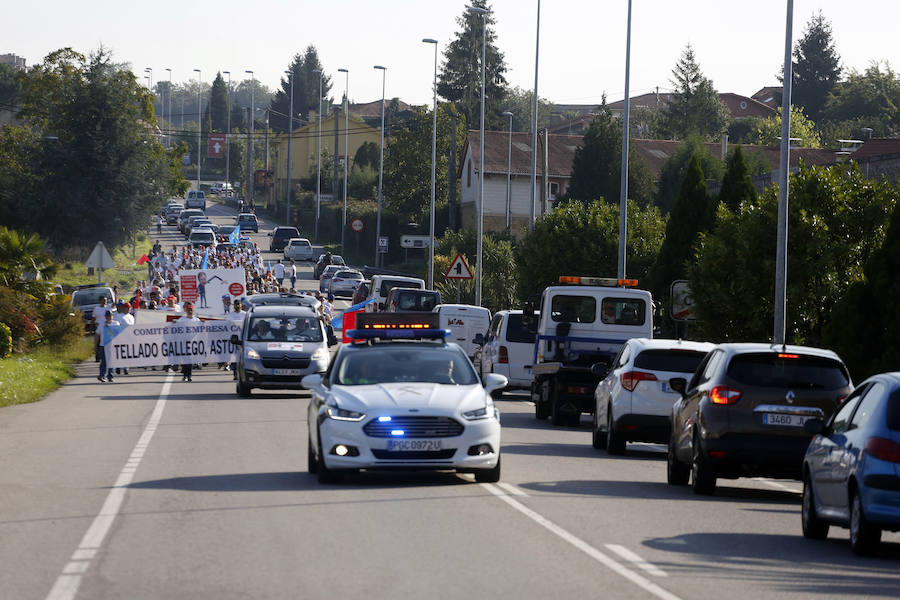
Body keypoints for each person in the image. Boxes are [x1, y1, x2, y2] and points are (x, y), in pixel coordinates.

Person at [175, 302, 201, 382]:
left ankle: (188, 375)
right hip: (184, 342)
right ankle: (185, 375)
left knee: (189, 360)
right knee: (185, 359)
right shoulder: (181, 320)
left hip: (193, 343)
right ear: (186, 310)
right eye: (188, 309)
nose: (190, 311)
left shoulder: (196, 320)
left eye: (191, 309)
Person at [226, 299, 246, 378]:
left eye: (239, 304)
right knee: (234, 357)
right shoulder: (230, 315)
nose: (237, 306)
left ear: (241, 305)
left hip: (243, 339)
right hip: (234, 339)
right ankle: (235, 374)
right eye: (236, 304)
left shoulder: (245, 314)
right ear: (233, 306)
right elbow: (226, 325)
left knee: (242, 357)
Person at [97, 310, 117, 382]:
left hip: (113, 345)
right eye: (107, 316)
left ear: (112, 316)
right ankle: (102, 375)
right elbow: (97, 334)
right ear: (105, 316)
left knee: (112, 361)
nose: (109, 317)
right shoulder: (101, 324)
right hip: (103, 345)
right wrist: (96, 344)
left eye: (110, 316)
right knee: (104, 361)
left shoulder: (116, 323)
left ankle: (110, 376)